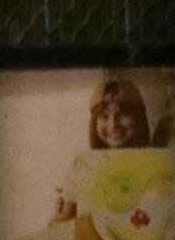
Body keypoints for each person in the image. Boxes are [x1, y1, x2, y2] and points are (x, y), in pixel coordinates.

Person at [52, 76, 152, 222]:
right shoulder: (83, 165)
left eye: (123, 115)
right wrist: (58, 220)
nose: (113, 125)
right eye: (104, 117)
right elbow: (64, 218)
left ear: (139, 119)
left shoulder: (154, 162)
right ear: (94, 123)